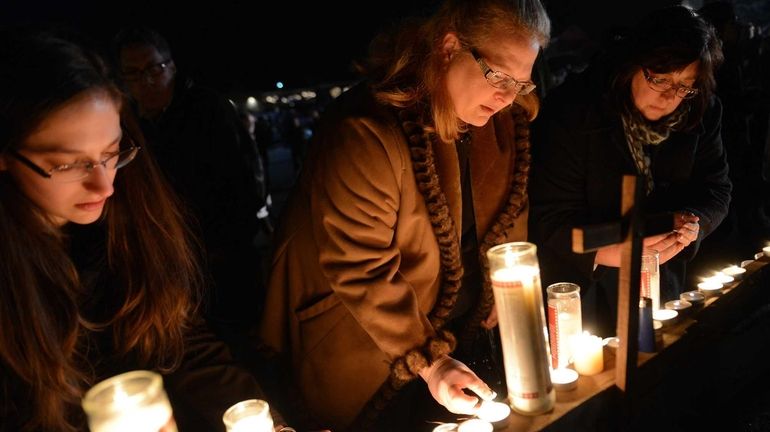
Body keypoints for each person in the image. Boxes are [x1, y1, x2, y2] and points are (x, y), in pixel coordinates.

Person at [258, 0, 551, 430]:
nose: (507, 98)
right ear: (450, 47)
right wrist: (430, 361)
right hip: (367, 339)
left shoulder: (502, 126)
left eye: (521, 84)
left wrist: (500, 292)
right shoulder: (368, 131)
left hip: (459, 338)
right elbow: (360, 266)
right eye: (500, 76)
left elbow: (510, 216)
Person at [0, 31, 290, 431]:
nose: (105, 187)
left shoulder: (130, 221)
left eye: (111, 153)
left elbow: (180, 339)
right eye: (68, 164)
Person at [528, 5, 731, 337]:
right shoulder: (574, 113)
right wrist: (611, 252)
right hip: (583, 285)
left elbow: (716, 188)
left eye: (685, 85)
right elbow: (548, 217)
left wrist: (693, 223)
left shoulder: (700, 111)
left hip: (660, 274)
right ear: (630, 64)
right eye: (659, 78)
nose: (669, 97)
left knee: (659, 360)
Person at [110, 27, 268, 357]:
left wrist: (228, 242)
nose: (147, 80)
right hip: (165, 258)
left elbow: (242, 178)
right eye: (134, 73)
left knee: (244, 339)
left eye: (155, 69)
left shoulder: (206, 109)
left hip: (221, 254)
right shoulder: (127, 125)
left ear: (172, 66)